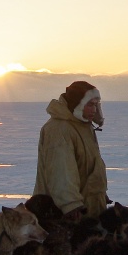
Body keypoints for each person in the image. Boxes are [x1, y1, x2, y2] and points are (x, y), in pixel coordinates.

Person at [33, 81, 109, 220]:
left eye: (96, 104)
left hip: (88, 209)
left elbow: (90, 167)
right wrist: (71, 205)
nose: (94, 109)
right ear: (77, 104)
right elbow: (61, 172)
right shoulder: (59, 129)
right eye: (90, 104)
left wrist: (98, 195)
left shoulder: (84, 126)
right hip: (64, 215)